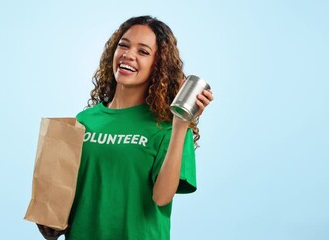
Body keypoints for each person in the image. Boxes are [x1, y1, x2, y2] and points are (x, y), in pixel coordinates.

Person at [37, 15, 214, 240]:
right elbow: (68, 193)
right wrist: (51, 218)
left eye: (143, 52)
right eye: (123, 45)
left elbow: (162, 198)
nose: (128, 55)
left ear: (158, 64)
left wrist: (180, 125)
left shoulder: (167, 127)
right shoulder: (84, 121)